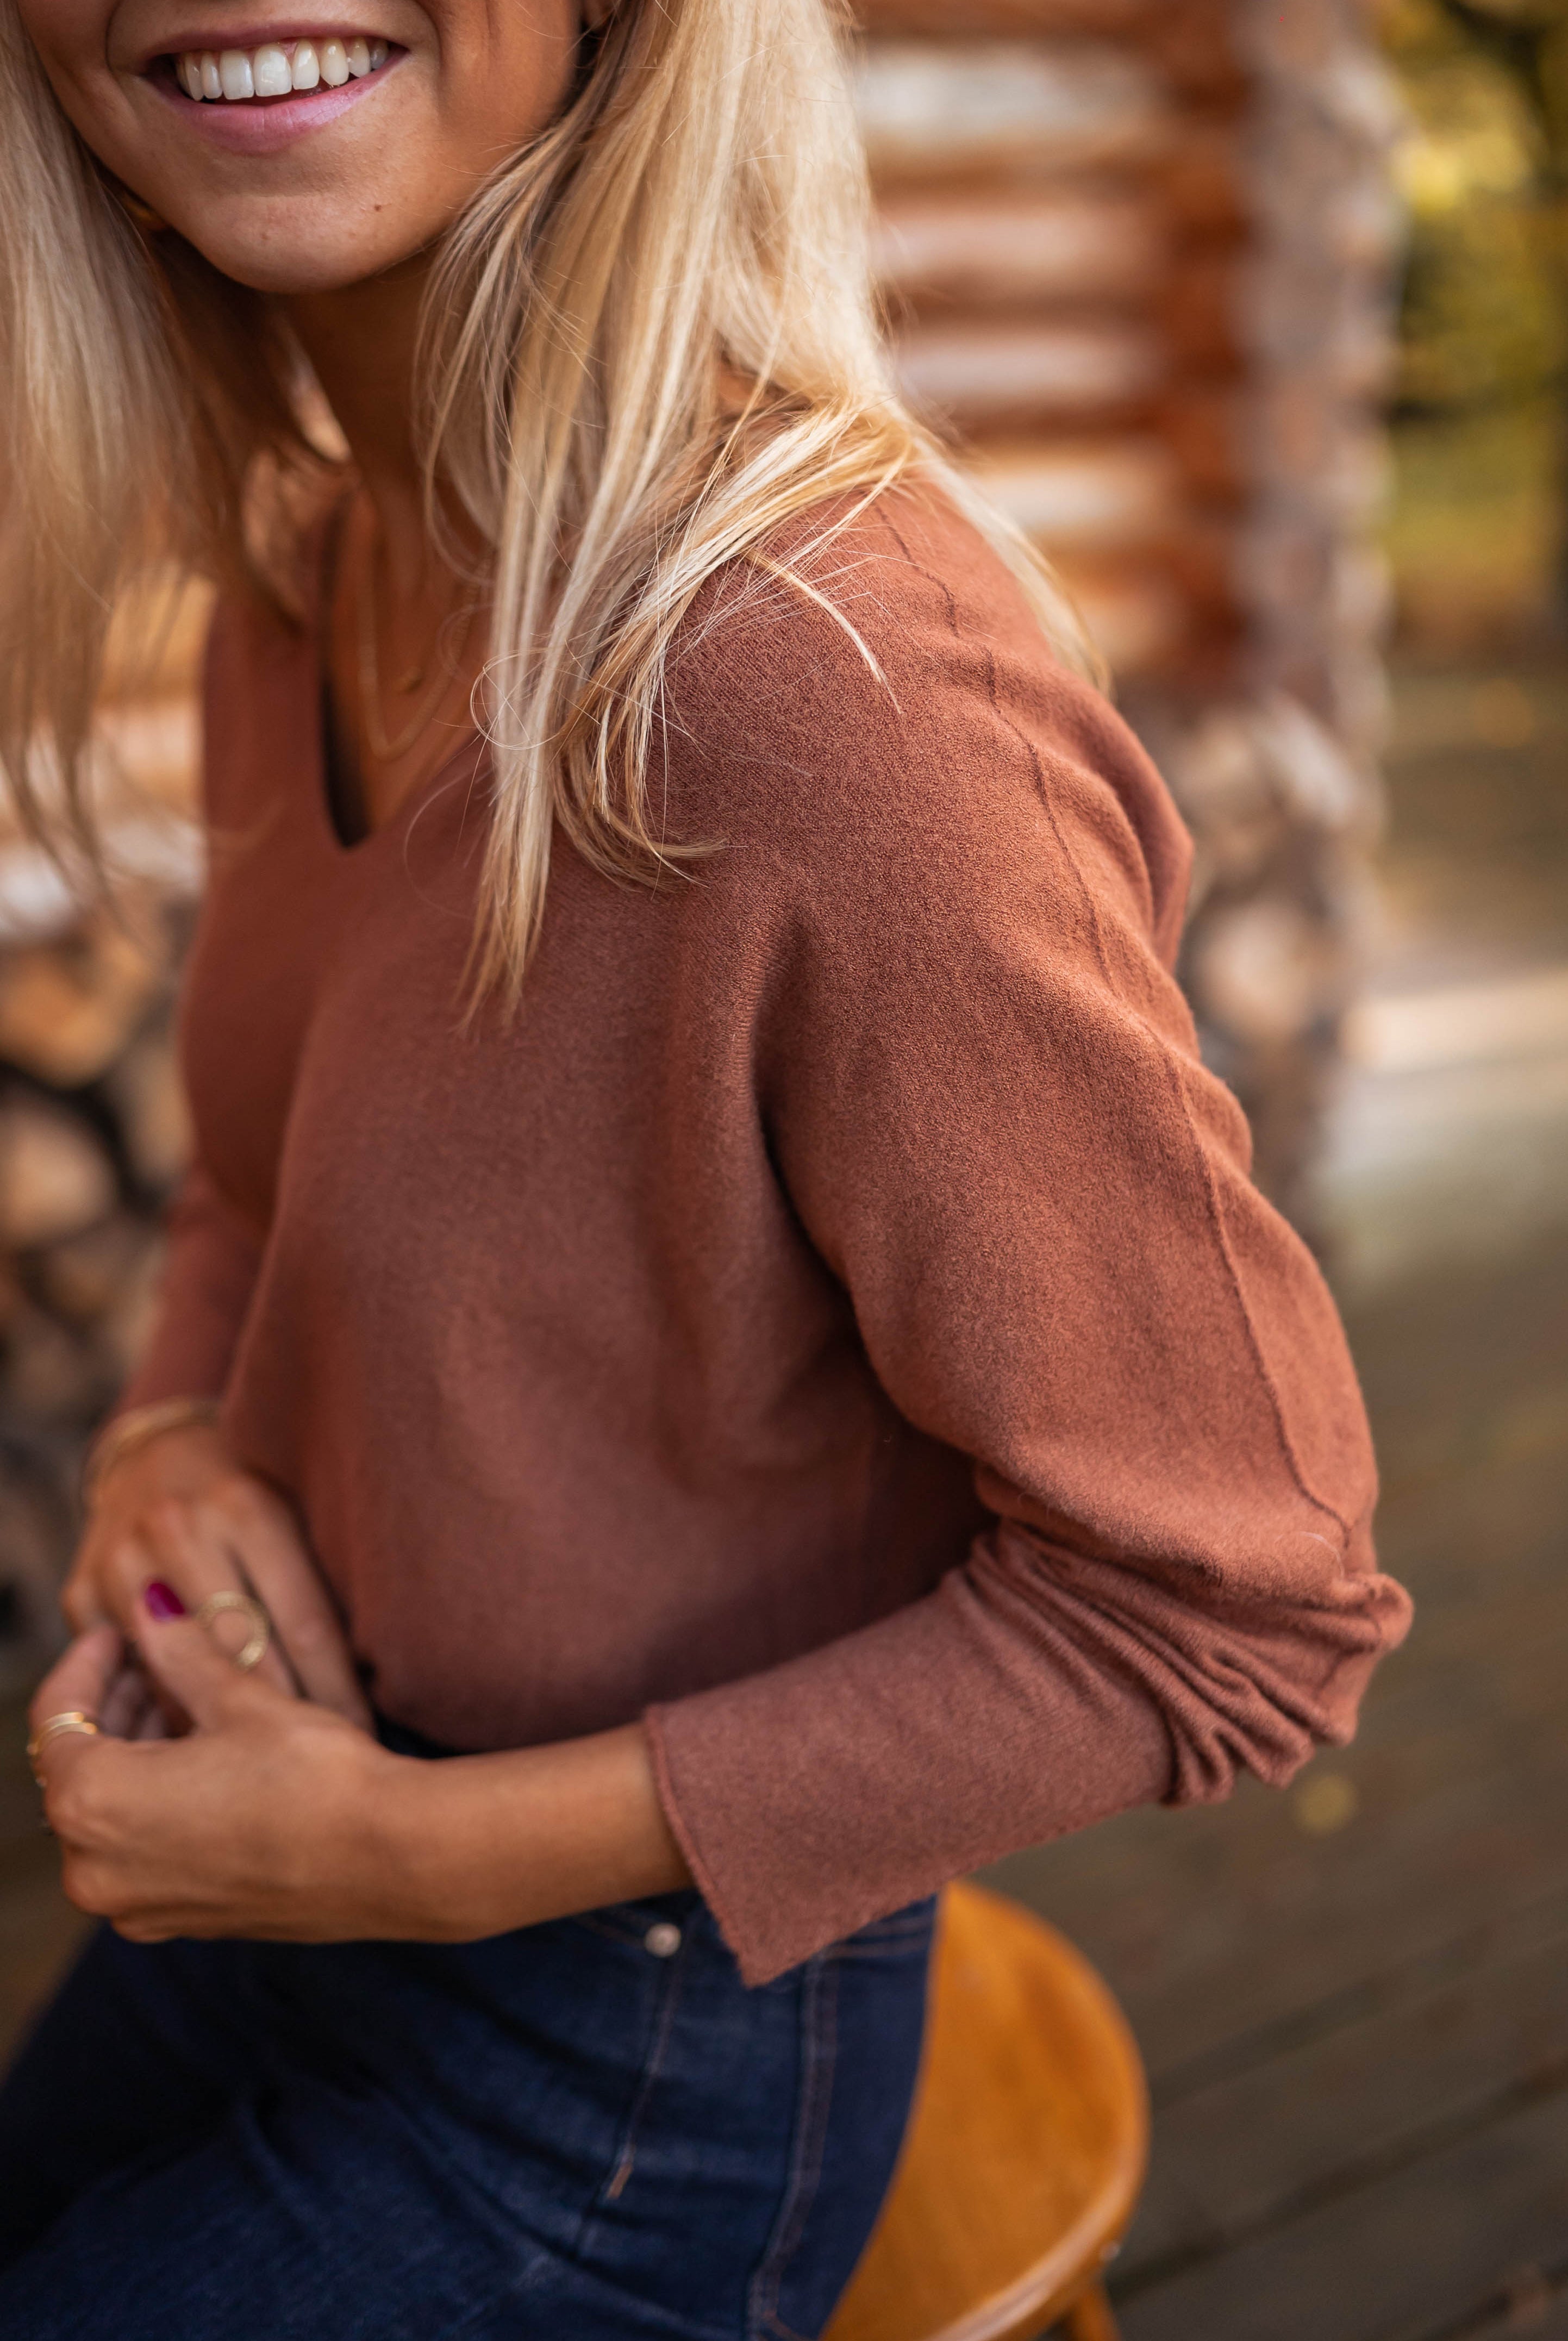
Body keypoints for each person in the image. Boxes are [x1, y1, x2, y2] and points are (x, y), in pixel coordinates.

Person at [0, 2, 1412, 2334]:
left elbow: (1239, 1610)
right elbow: (270, 1175)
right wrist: (169, 1436)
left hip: (624, 2056)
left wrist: (429, 1863)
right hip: (303, 1860)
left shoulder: (828, 703)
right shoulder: (315, 572)